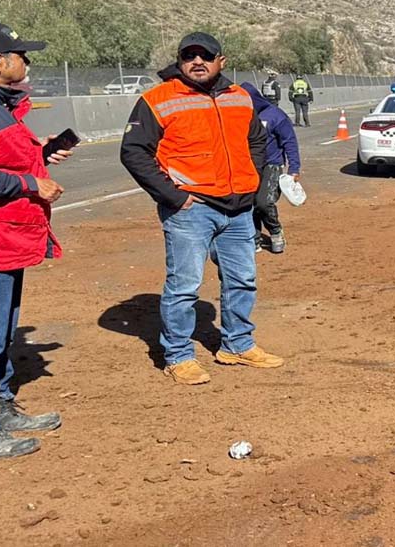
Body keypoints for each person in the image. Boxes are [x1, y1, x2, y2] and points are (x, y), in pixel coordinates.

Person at [120, 32, 282, 386]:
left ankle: (237, 345)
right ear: (179, 61)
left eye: (205, 56)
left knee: (243, 280)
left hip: (238, 209)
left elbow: (256, 139)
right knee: (184, 286)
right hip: (191, 210)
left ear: (221, 60)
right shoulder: (158, 99)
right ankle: (178, 355)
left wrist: (251, 179)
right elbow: (133, 151)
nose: (197, 62)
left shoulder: (239, 97)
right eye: (189, 56)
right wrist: (173, 196)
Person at [0, 24, 71, 458]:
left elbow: (2, 158)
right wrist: (30, 182)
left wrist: (42, 153)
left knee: (2, 331)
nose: (27, 61)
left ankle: (1, 406)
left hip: (9, 238)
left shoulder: (0, 107)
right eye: (21, 54)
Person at [240, 83, 301, 254]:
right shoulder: (236, 115)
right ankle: (255, 237)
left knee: (264, 202)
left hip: (271, 164)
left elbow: (289, 142)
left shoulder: (274, 115)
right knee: (248, 203)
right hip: (246, 164)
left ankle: (275, 231)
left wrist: (294, 168)